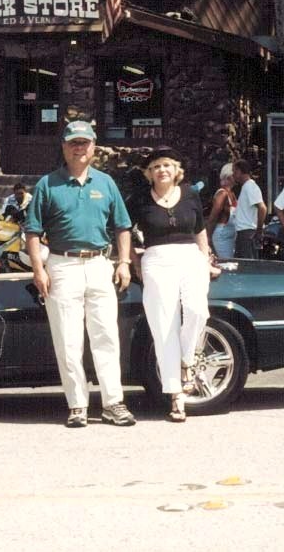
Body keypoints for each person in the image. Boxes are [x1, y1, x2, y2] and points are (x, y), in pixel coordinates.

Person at [24, 120, 135, 428]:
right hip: (62, 265)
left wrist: (123, 262)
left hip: (100, 265)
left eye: (84, 142)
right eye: (73, 142)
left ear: (93, 147)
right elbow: (32, 231)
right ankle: (78, 406)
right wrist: (39, 270)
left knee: (106, 337)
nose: (79, 147)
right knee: (68, 340)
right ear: (64, 146)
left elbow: (122, 226)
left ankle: (113, 403)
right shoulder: (48, 184)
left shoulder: (106, 183)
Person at [127, 148, 213, 422]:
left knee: (197, 310)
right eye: (155, 166)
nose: (161, 170)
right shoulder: (139, 199)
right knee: (164, 325)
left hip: (190, 256)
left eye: (166, 165)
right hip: (156, 259)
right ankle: (176, 396)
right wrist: (134, 263)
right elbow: (124, 231)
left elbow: (199, 229)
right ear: (148, 173)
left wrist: (206, 258)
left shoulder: (190, 194)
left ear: (176, 170)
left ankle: (187, 359)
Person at [232, 160, 266, 259]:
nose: (233, 174)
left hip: (248, 233)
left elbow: (262, 208)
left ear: (239, 171)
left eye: (234, 171)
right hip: (244, 232)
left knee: (248, 265)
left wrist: (259, 230)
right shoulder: (246, 187)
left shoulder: (250, 187)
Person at [206, 163, 237, 258]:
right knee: (227, 263)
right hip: (222, 235)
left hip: (231, 233)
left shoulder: (232, 194)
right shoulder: (222, 194)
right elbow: (213, 216)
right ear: (228, 176)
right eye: (234, 174)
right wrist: (208, 237)